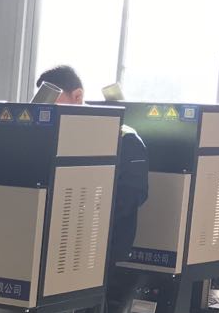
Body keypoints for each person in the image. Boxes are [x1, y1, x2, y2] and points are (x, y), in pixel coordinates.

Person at [37, 65, 148, 260]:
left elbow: (131, 197)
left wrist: (82, 218)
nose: (50, 111)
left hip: (104, 247)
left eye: (55, 103)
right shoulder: (58, 136)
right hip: (59, 242)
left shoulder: (124, 138)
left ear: (77, 96)